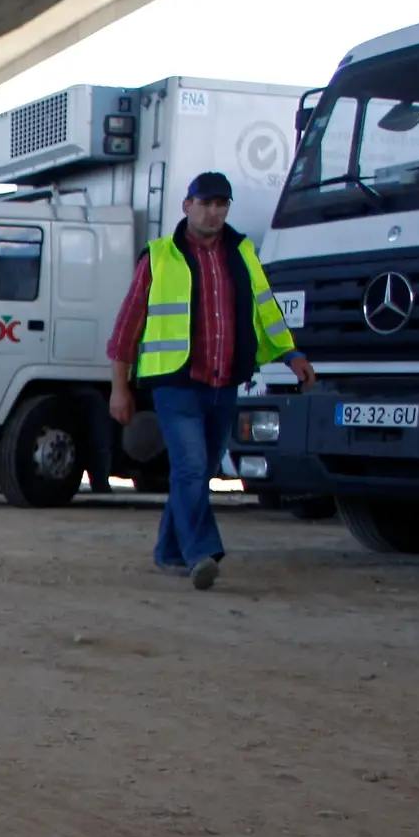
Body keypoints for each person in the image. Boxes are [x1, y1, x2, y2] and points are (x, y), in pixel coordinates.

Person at [107, 171, 316, 590]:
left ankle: (168, 550)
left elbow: (266, 311)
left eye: (221, 204)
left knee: (197, 473)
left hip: (224, 383)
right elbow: (127, 326)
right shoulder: (160, 256)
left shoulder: (242, 253)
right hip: (175, 382)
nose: (212, 211)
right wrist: (120, 386)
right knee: (190, 466)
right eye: (204, 203)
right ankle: (200, 552)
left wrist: (291, 355)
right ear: (187, 206)